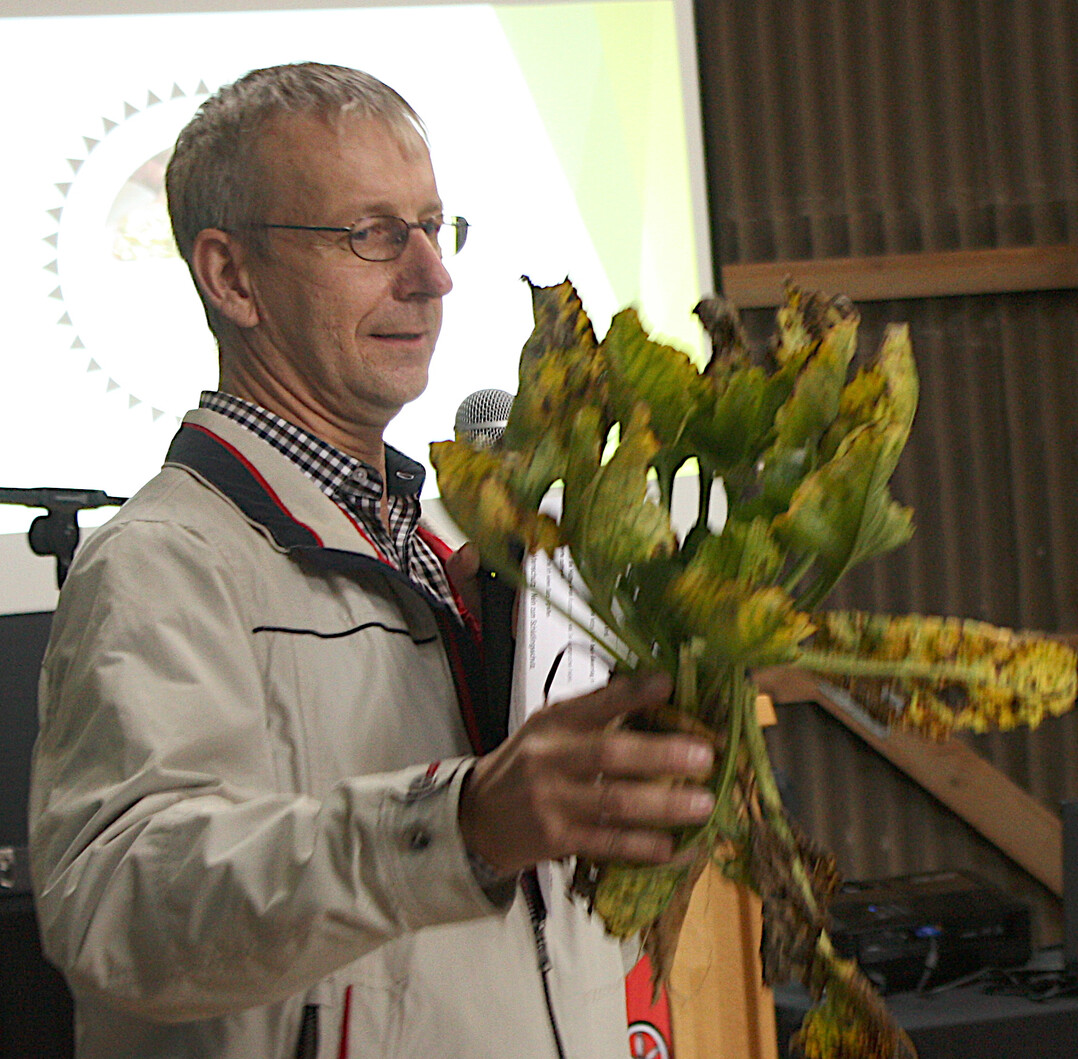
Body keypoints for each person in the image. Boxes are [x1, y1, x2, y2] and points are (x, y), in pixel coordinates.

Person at [28, 63, 716, 1059]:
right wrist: (459, 823)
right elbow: (119, 909)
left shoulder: (453, 558)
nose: (432, 275)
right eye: (372, 234)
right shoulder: (161, 565)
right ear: (232, 278)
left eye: (436, 228)